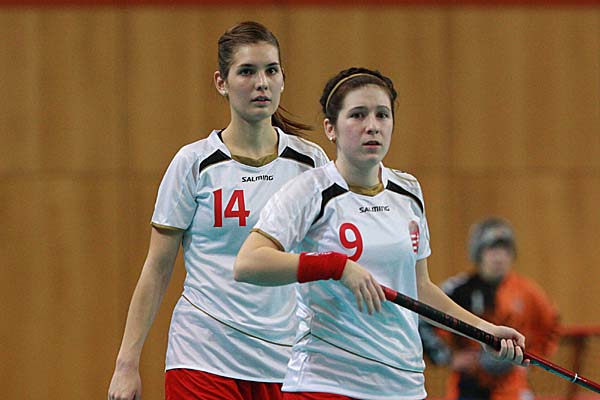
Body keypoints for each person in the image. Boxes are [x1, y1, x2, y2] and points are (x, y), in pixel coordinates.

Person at [234, 67, 529, 400]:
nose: (372, 126)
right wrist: (335, 266)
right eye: (358, 115)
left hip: (401, 385)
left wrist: (485, 331)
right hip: (326, 383)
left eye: (382, 115)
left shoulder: (408, 191)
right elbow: (248, 264)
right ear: (330, 128)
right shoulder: (308, 192)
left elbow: (419, 287)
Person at [108, 21, 329, 400]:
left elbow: (330, 260)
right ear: (221, 82)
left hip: (287, 359)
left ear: (283, 78)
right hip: (203, 355)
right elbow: (157, 268)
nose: (261, 83)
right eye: (247, 71)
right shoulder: (193, 163)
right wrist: (125, 364)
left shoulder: (311, 163)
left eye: (271, 70)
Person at [419, 217, 560, 400]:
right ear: (478, 254)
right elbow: (421, 320)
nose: (499, 257)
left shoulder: (528, 292)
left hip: (512, 388)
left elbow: (551, 325)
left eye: (505, 249)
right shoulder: (458, 289)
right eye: (491, 249)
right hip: (466, 387)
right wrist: (448, 357)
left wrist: (530, 359)